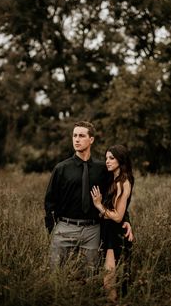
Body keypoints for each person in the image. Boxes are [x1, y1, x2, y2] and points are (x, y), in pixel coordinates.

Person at [44, 121, 133, 272]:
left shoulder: (102, 169)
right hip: (65, 228)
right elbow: (50, 201)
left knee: (90, 276)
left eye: (81, 136)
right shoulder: (61, 168)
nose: (76, 139)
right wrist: (52, 229)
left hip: (93, 231)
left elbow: (113, 197)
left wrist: (125, 220)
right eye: (74, 136)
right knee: (56, 275)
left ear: (91, 139)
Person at [91, 144, 134, 302]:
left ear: (120, 160)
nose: (107, 161)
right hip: (107, 229)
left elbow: (117, 216)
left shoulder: (123, 183)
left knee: (109, 278)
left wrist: (98, 205)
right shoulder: (113, 178)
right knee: (108, 274)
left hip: (113, 233)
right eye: (106, 158)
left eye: (111, 158)